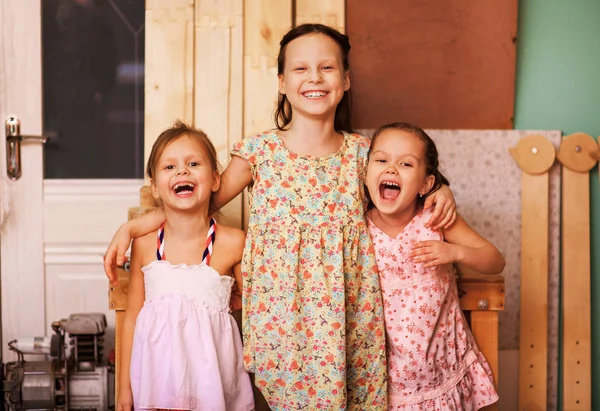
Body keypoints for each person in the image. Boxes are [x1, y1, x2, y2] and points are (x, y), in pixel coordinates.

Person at [105, 24, 457, 410]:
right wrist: (135, 225)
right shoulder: (262, 151)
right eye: (300, 69)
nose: (314, 78)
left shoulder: (363, 154)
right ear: (282, 83)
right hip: (283, 321)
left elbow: (405, 184)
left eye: (327, 68)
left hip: (348, 318)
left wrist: (440, 187)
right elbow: (193, 204)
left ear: (345, 81)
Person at [364, 122, 503, 410]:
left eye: (405, 163)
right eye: (381, 160)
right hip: (385, 387)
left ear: (426, 184)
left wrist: (454, 252)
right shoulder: (355, 227)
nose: (390, 169)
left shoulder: (434, 219)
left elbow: (494, 261)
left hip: (440, 377)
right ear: (364, 173)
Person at [117, 122, 254, 411]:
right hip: (158, 386)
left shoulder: (234, 243)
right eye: (169, 167)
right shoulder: (144, 245)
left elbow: (253, 308)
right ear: (155, 187)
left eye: (193, 163)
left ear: (216, 180)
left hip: (212, 387)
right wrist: (124, 390)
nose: (182, 171)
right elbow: (131, 320)